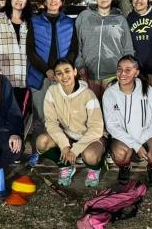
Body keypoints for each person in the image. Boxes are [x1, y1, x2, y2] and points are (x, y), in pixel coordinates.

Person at [25, 0, 78, 165]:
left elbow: (73, 49)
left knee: (63, 116)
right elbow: (30, 51)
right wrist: (47, 70)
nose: (54, 1)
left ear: (61, 1)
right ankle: (37, 151)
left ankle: (60, 151)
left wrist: (61, 71)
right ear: (45, 1)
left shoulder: (69, 23)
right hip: (41, 76)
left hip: (62, 77)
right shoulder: (35, 21)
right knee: (41, 116)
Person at [36, 59, 105, 187]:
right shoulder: (52, 92)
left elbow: (96, 129)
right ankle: (65, 166)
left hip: (90, 138)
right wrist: (64, 145)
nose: (64, 76)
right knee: (42, 142)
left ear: (74, 72)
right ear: (55, 77)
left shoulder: (88, 94)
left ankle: (96, 167)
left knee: (90, 156)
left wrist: (76, 149)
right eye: (59, 73)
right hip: (67, 136)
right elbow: (51, 122)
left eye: (67, 71)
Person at [103, 55, 152, 185]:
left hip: (146, 135)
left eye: (128, 70)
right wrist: (135, 145)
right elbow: (111, 126)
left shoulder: (147, 90)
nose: (122, 73)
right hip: (123, 137)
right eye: (119, 69)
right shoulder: (110, 93)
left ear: (136, 73)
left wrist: (145, 135)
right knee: (120, 155)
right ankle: (125, 166)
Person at [75, 0, 134, 100]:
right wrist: (79, 64)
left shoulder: (120, 20)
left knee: (112, 114)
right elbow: (76, 44)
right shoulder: (84, 16)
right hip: (89, 74)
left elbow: (128, 48)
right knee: (93, 113)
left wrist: (127, 71)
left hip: (113, 74)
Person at [0, 0, 32, 119]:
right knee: (2, 115)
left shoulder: (29, 22)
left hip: (23, 79)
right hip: (3, 78)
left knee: (20, 116)